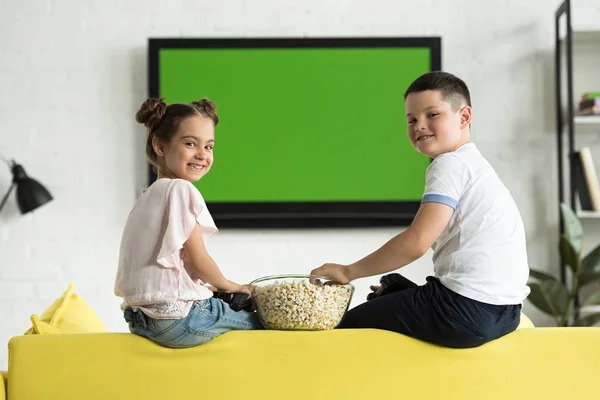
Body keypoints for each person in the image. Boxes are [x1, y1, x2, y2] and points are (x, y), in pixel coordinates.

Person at [310, 71, 530, 348]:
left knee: (345, 327)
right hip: (506, 312)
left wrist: (348, 271)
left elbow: (417, 242)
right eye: (412, 120)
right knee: (394, 290)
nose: (419, 126)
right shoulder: (476, 166)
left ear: (464, 117)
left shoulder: (450, 164)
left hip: (464, 311)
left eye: (432, 115)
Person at [115, 97, 262, 348]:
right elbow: (198, 260)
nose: (202, 155)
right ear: (160, 146)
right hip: (178, 319)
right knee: (265, 322)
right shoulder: (180, 189)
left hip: (140, 319)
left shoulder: (146, 197)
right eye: (190, 144)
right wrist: (233, 286)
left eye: (209, 147)